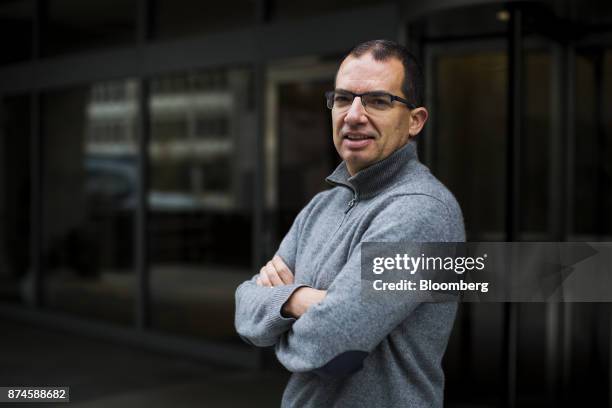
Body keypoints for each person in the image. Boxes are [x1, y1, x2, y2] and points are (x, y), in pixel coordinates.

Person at [235, 39, 465, 407]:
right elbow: (244, 307)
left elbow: (330, 345)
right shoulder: (321, 206)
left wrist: (281, 309)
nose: (354, 115)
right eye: (343, 99)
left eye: (378, 101)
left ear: (415, 121)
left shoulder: (422, 210)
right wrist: (299, 299)